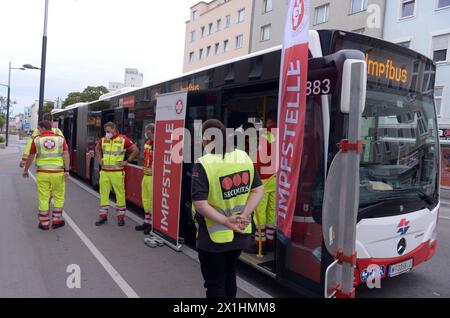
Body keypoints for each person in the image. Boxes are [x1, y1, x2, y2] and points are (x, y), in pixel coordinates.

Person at [191, 119, 264, 299]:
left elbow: (200, 203)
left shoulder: (204, 163)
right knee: (230, 274)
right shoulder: (243, 156)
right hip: (241, 231)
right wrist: (244, 214)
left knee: (215, 283)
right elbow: (258, 189)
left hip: (213, 237)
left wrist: (224, 221)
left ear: (207, 139)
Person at [22, 120, 70, 230]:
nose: (38, 130)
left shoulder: (37, 140)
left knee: (43, 197)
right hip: (58, 173)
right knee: (59, 196)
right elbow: (66, 155)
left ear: (43, 128)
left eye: (39, 128)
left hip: (43, 173)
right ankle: (57, 221)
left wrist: (26, 170)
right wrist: (67, 171)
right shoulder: (60, 139)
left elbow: (31, 156)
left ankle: (44, 223)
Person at [95, 122, 139, 227]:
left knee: (120, 194)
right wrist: (99, 159)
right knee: (103, 194)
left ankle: (120, 217)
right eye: (106, 131)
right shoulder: (104, 139)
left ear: (114, 129)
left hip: (117, 172)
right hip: (105, 172)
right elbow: (97, 148)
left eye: (109, 131)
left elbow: (135, 150)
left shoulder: (123, 139)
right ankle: (103, 217)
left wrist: (127, 161)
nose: (107, 133)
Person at [248, 112, 278, 255]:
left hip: (264, 179)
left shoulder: (266, 135)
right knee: (272, 211)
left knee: (259, 212)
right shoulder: (285, 134)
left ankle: (260, 243)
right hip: (276, 178)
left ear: (269, 121)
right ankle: (271, 240)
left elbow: (258, 159)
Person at [135, 123, 154, 235]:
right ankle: (146, 222)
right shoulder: (147, 143)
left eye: (147, 131)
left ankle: (151, 225)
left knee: (151, 202)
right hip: (146, 175)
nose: (145, 133)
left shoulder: (157, 144)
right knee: (145, 200)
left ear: (150, 132)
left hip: (152, 177)